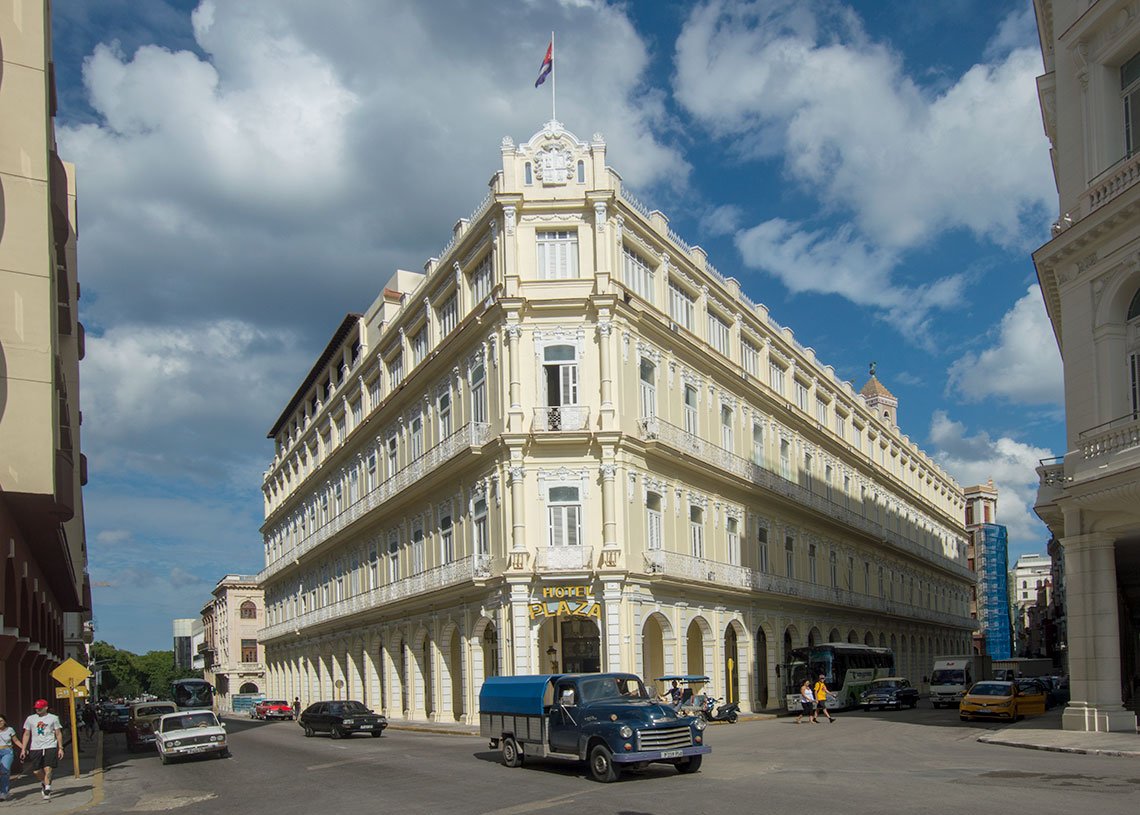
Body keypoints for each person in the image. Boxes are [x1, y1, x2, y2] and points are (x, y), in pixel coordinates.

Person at [21, 699, 64, 800]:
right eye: (36, 708)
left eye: (40, 708)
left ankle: (48, 788)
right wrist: (23, 749)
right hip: (35, 747)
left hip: (50, 745)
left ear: (46, 708)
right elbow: (26, 734)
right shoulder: (30, 719)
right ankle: (44, 783)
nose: (38, 710)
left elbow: (58, 733)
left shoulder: (53, 718)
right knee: (36, 771)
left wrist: (60, 748)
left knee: (48, 768)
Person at [0, 713, 22, 802]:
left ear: (4, 721)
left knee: (5, 771)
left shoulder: (10, 730)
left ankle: (4, 792)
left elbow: (16, 740)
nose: (0, 723)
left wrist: (23, 748)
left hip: (7, 751)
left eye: (1, 721)